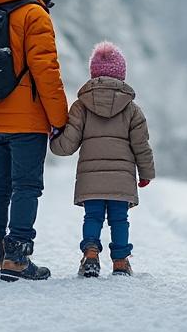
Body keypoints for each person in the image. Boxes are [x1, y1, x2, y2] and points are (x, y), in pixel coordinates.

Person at [0, 0, 69, 282]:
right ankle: (17, 257)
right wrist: (60, 117)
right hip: (26, 120)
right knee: (26, 187)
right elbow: (46, 71)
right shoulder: (34, 14)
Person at [49, 41, 155, 277]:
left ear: (93, 73)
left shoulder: (81, 106)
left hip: (91, 180)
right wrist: (146, 173)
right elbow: (141, 145)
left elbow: (67, 146)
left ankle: (90, 255)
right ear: (122, 74)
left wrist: (54, 139)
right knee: (120, 220)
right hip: (121, 179)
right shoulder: (132, 109)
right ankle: (120, 262)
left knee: (93, 216)